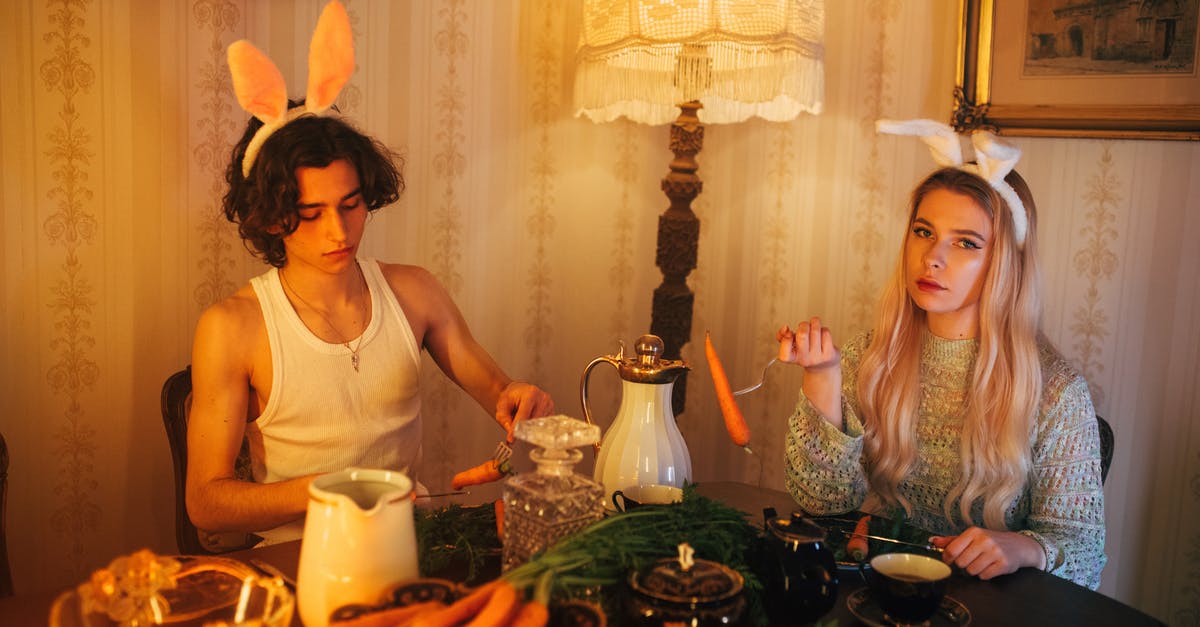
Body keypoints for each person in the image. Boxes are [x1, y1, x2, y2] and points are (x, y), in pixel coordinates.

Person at [186, 0, 553, 546]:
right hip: (300, 557)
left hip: (410, 544)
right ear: (270, 215)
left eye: (351, 204)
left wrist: (518, 397)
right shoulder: (233, 327)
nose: (339, 231)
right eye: (310, 214)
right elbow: (206, 503)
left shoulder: (415, 292)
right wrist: (334, 488)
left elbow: (500, 391)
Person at [779, 120, 1106, 589]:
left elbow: (1085, 556)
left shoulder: (1056, 391)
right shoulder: (869, 355)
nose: (932, 257)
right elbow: (823, 502)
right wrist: (824, 379)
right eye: (923, 231)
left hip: (991, 606)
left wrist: (1027, 546)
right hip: (879, 590)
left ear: (1004, 263)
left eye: (966, 243)